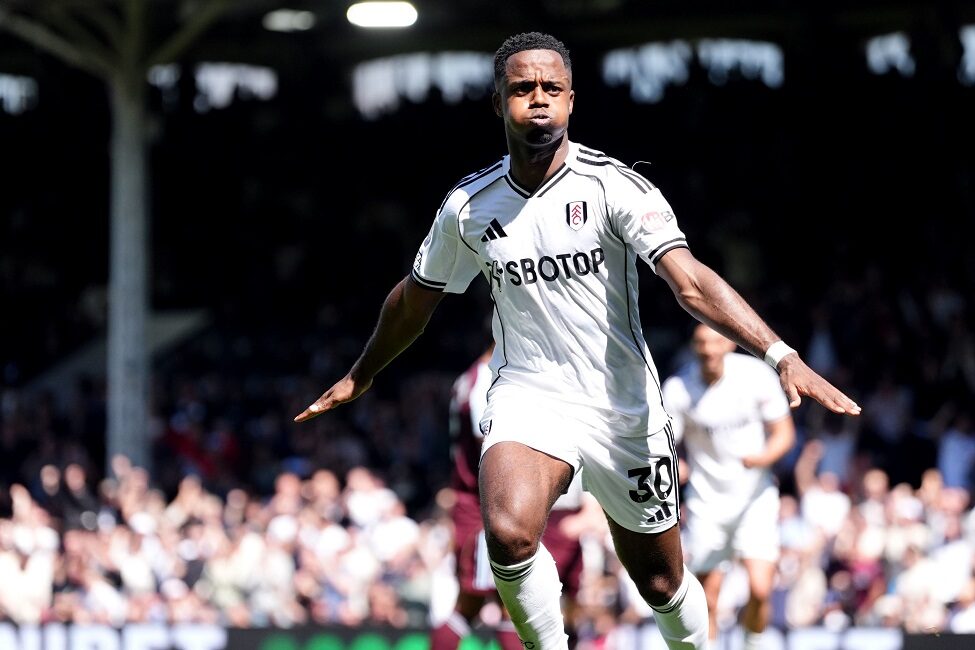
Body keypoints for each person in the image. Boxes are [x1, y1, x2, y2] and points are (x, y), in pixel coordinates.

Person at [295, 31, 860, 650]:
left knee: (661, 582)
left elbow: (691, 284)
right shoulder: (468, 206)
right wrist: (363, 373)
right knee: (508, 533)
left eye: (551, 88)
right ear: (498, 103)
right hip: (527, 393)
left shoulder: (614, 186)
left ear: (571, 101)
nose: (538, 99)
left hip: (623, 406)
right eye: (522, 88)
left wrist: (780, 354)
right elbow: (414, 300)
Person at [432, 344, 586, 650]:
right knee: (508, 605)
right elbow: (491, 448)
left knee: (506, 605)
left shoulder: (470, 379)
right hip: (486, 511)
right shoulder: (485, 382)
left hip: (488, 509)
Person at [663, 324, 796, 649]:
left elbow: (784, 435)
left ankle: (752, 644)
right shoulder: (678, 388)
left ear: (729, 345)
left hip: (755, 499)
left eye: (714, 342)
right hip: (706, 503)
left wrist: (762, 458)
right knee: (707, 598)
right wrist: (675, 467)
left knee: (761, 590)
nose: (708, 350)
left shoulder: (756, 377)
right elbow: (667, 444)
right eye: (701, 343)